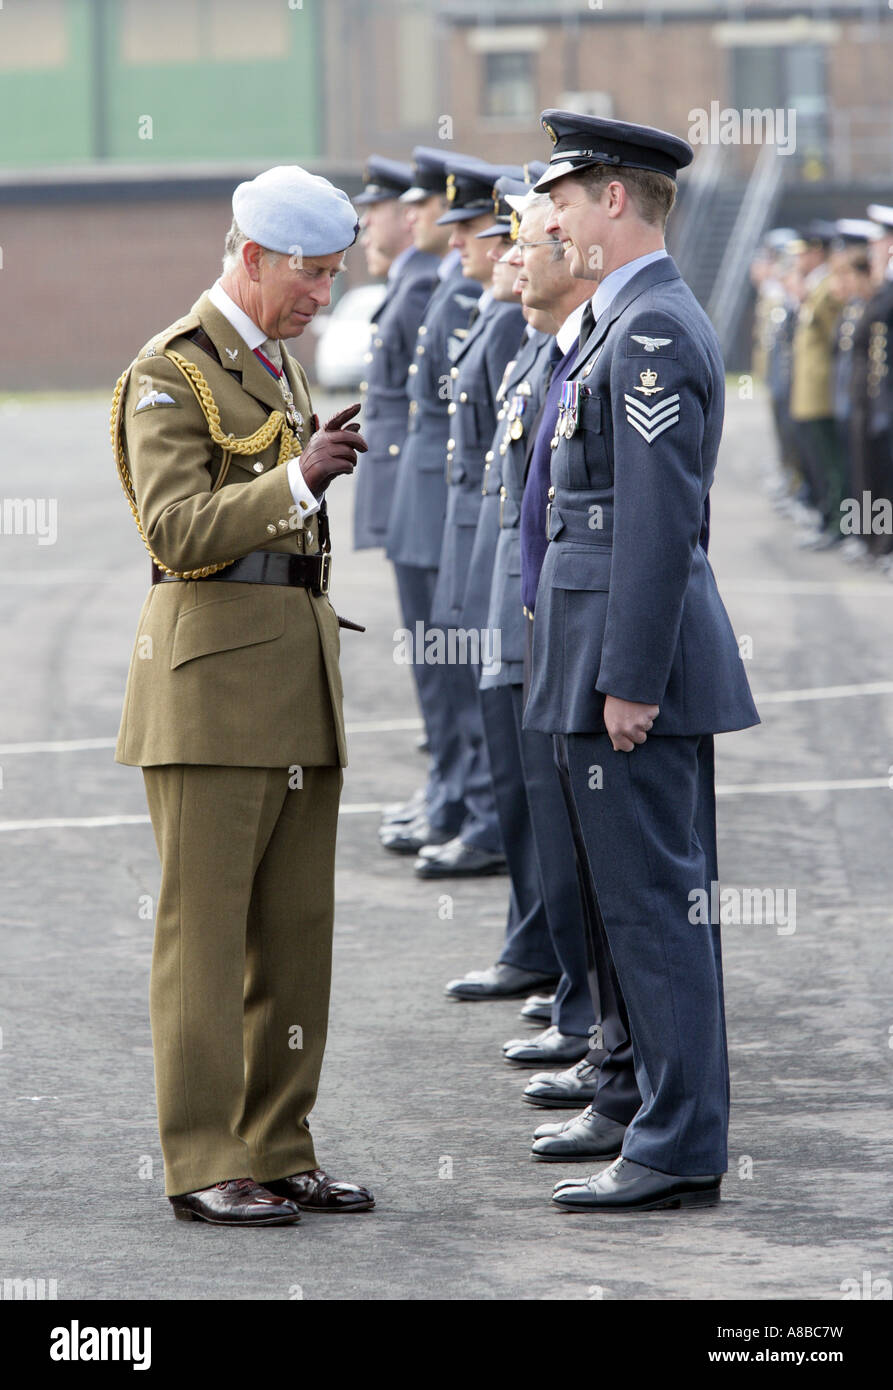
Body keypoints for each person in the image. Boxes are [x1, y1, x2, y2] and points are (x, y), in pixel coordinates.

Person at [112, 165, 374, 1226]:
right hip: (211, 695)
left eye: (332, 274)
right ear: (253, 258)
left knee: (294, 932)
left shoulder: (273, 365)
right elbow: (175, 530)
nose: (323, 294)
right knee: (206, 936)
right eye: (310, 274)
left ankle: (278, 1141)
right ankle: (204, 1157)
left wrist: (301, 473)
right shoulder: (173, 371)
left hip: (294, 683)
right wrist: (300, 478)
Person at [523, 110, 760, 1212]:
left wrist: (629, 679)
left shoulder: (651, 329)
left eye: (563, 199)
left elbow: (658, 525)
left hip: (629, 672)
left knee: (657, 910)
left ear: (613, 200)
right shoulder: (620, 322)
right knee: (628, 906)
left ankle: (675, 1143)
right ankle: (636, 1100)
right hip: (594, 656)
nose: (551, 218)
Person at [380, 147, 481, 854]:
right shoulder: (435, 281)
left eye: (428, 207)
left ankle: (472, 802)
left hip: (444, 495)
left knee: (455, 662)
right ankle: (453, 791)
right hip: (422, 489)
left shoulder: (450, 289)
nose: (425, 220)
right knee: (436, 658)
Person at [352, 156, 440, 551]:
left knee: (422, 608)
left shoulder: (420, 286)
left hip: (408, 472)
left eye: (375, 209)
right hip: (395, 470)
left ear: (407, 213)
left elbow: (429, 400)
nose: (365, 222)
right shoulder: (406, 281)